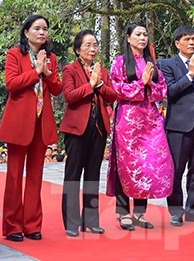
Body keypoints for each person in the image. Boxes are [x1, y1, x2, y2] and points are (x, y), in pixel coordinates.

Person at [0, 13, 63, 243]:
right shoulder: (15, 54)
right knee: (14, 177)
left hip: (40, 122)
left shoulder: (51, 58)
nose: (42, 32)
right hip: (19, 123)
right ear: (26, 32)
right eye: (36, 28)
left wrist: (46, 73)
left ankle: (33, 225)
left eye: (45, 29)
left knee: (36, 176)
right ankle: (13, 226)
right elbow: (11, 84)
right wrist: (35, 72)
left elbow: (57, 89)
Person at [107, 22, 174, 231]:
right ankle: (123, 212)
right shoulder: (119, 63)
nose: (142, 38)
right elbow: (116, 89)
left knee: (148, 164)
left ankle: (139, 212)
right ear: (128, 38)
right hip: (127, 121)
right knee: (125, 165)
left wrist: (148, 83)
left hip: (150, 121)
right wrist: (140, 84)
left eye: (145, 34)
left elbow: (162, 90)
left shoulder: (151, 63)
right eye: (138, 34)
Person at [60, 30, 117, 237]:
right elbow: (69, 96)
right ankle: (71, 222)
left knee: (93, 175)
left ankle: (91, 221)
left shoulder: (102, 71)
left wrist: (100, 84)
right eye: (88, 45)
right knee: (73, 175)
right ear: (78, 50)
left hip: (99, 128)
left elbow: (113, 95)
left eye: (95, 45)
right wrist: (90, 85)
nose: (92, 49)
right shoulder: (70, 70)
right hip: (76, 129)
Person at [159, 25, 194, 226]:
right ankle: (176, 211)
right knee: (175, 170)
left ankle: (193, 209)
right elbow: (170, 91)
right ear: (177, 43)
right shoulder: (167, 64)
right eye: (187, 39)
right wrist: (190, 75)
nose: (192, 43)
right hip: (178, 126)